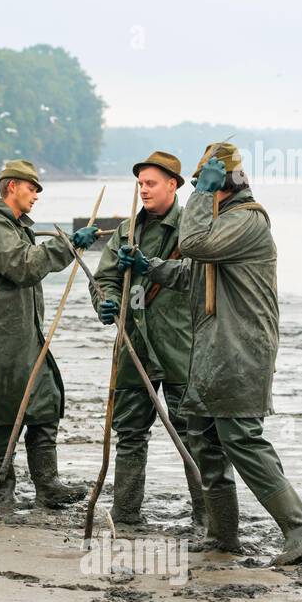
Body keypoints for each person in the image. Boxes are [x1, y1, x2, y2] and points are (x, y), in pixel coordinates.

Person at [128, 142, 302, 565]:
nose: (200, 190)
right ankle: (222, 536)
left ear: (226, 183)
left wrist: (198, 196)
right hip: (212, 350)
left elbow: (196, 244)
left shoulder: (247, 222)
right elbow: (194, 272)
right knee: (205, 440)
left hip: (240, 350)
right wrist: (151, 266)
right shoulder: (225, 224)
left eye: (204, 183)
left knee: (241, 438)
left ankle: (300, 529)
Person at [0, 159, 100, 512]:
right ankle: (5, 489)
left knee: (43, 401)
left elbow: (27, 260)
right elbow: (25, 266)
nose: (37, 194)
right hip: (1, 341)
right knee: (6, 413)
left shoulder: (14, 226)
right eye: (32, 187)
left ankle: (46, 485)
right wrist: (68, 246)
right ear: (12, 186)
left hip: (22, 335)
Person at [89, 151, 205, 530]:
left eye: (151, 183)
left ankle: (208, 517)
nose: (144, 190)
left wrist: (150, 267)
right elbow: (103, 278)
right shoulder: (126, 231)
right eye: (140, 184)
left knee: (195, 435)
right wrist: (105, 303)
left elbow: (198, 276)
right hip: (133, 346)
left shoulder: (194, 228)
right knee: (130, 432)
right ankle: (125, 514)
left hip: (182, 347)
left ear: (173, 184)